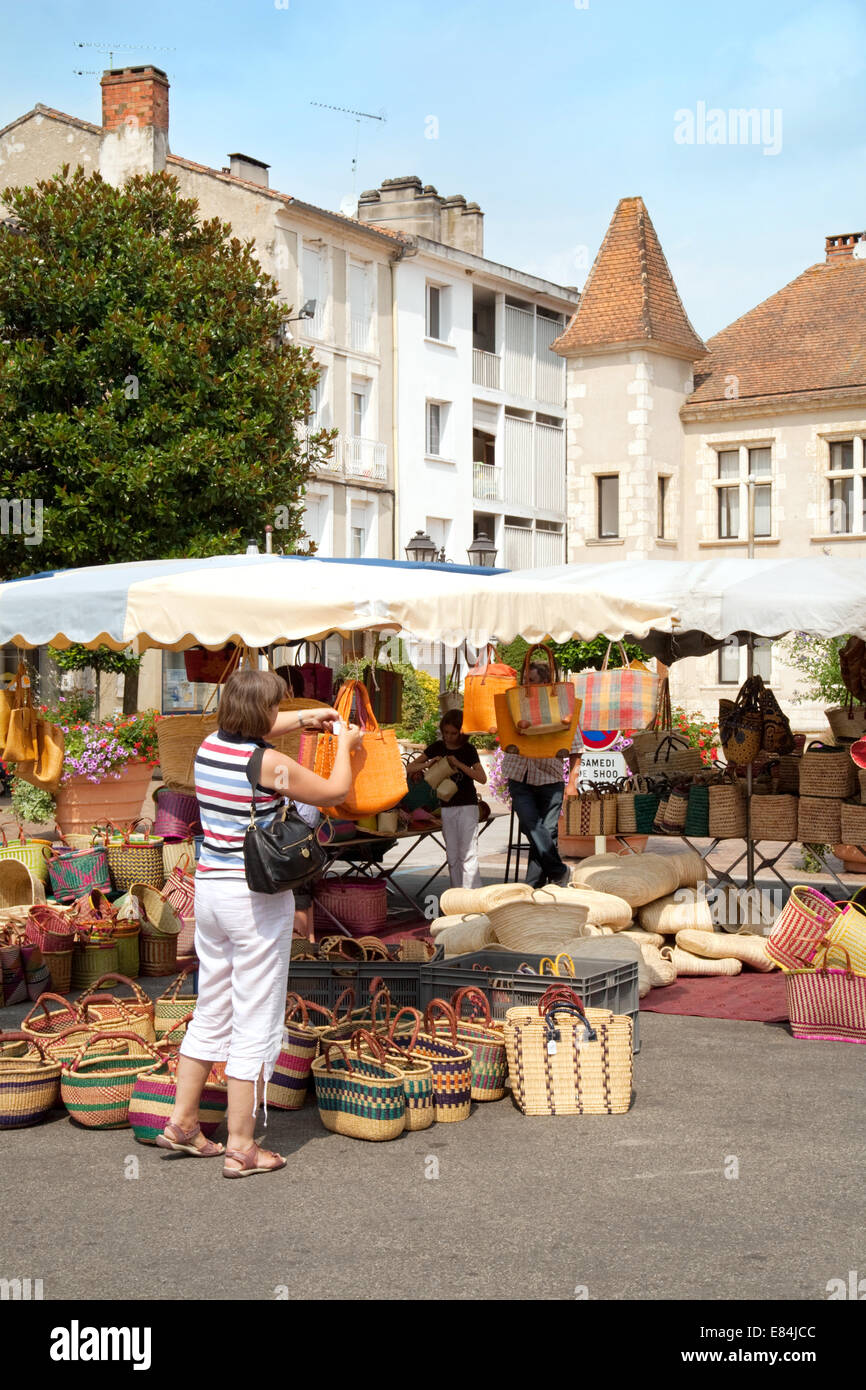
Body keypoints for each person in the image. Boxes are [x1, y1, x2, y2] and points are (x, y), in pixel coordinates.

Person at [156, 666, 362, 1177]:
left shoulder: (208, 747)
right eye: (280, 707)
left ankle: (183, 1123)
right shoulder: (270, 764)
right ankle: (242, 1147)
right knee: (255, 1019)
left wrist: (306, 717)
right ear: (263, 714)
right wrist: (348, 748)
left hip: (211, 894)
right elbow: (333, 792)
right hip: (255, 899)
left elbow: (255, 737)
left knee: (212, 1006)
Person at [502, 662, 582, 889]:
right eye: (524, 680)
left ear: (546, 683)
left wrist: (571, 783)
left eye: (532, 681)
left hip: (550, 778)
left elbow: (576, 747)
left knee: (546, 832)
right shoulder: (515, 704)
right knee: (531, 824)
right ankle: (559, 871)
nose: (526, 685)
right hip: (519, 776)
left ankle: (534, 886)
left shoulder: (561, 709)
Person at [407, 710, 487, 889]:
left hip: (467, 805)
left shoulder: (468, 750)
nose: (449, 737)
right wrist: (429, 763)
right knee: (452, 854)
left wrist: (458, 764)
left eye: (453, 733)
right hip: (447, 806)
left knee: (468, 853)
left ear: (461, 733)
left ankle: (472, 895)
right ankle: (457, 896)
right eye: (446, 733)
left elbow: (482, 777)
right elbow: (410, 767)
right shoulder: (437, 747)